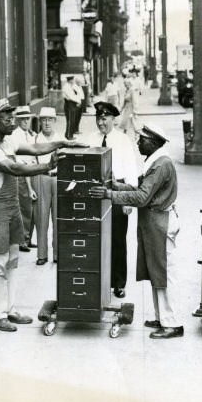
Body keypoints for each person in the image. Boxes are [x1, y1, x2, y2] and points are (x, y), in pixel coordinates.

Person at [0, 99, 83, 331]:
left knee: (13, 261)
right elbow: (14, 168)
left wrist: (60, 143)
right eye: (8, 118)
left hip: (11, 207)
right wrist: (47, 167)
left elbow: (35, 149)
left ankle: (9, 309)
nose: (12, 121)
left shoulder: (7, 142)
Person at [89, 123, 182, 339]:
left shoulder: (160, 165)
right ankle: (162, 319)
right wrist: (115, 185)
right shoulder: (155, 161)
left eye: (142, 140)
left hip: (161, 223)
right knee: (157, 273)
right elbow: (138, 189)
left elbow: (141, 197)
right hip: (155, 224)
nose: (138, 143)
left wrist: (109, 195)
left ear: (154, 142)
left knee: (165, 274)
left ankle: (173, 324)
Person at [86, 101, 139, 298]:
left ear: (113, 119)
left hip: (118, 192)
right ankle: (99, 280)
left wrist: (128, 201)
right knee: (96, 237)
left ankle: (119, 282)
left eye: (105, 118)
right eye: (98, 118)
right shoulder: (90, 139)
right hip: (96, 192)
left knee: (117, 239)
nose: (101, 122)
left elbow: (131, 170)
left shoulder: (123, 140)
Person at [7, 106, 37, 252]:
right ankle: (22, 240)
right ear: (18, 120)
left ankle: (28, 237)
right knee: (24, 207)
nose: (26, 121)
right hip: (22, 173)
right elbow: (20, 160)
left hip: (33, 171)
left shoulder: (30, 134)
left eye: (28, 118)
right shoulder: (15, 135)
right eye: (23, 119)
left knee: (31, 208)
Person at [33, 107, 61, 265]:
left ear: (55, 121)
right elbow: (30, 163)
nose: (47, 123)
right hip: (41, 178)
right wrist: (31, 188)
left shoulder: (60, 139)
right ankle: (42, 255)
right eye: (44, 119)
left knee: (58, 217)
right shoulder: (36, 139)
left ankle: (57, 254)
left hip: (58, 178)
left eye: (50, 119)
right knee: (41, 218)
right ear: (40, 122)